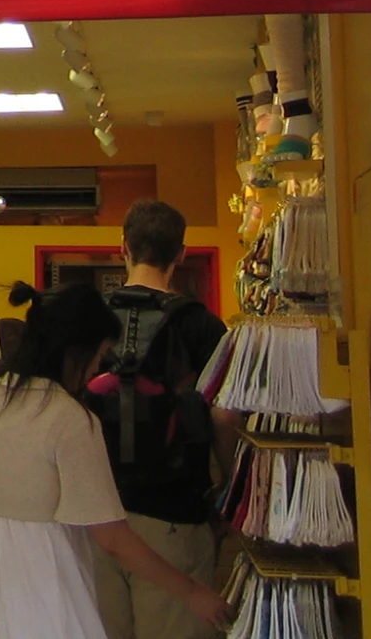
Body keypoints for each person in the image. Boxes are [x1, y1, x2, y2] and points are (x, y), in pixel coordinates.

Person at [0, 281, 230, 639]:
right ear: (77, 352)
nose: (99, 368)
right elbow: (113, 537)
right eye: (100, 355)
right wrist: (192, 592)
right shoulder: (66, 418)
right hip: (48, 580)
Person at [89, 200, 234, 639]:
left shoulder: (88, 320)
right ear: (181, 253)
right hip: (175, 516)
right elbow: (224, 416)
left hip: (94, 517)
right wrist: (227, 489)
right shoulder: (204, 327)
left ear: (124, 247)